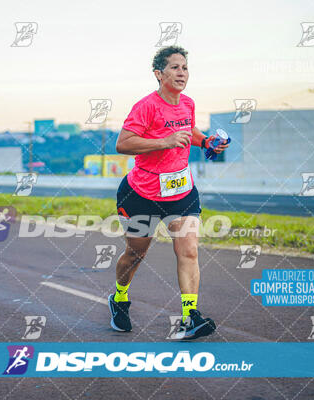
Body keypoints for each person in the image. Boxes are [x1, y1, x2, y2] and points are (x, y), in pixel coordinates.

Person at [108, 46, 229, 339]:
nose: (182, 73)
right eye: (175, 67)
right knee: (135, 254)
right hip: (142, 195)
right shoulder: (146, 106)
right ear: (159, 74)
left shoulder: (187, 103)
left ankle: (190, 316)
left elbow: (189, 131)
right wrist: (165, 141)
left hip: (181, 192)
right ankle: (119, 297)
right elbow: (123, 144)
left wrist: (207, 142)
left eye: (185, 67)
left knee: (188, 249)